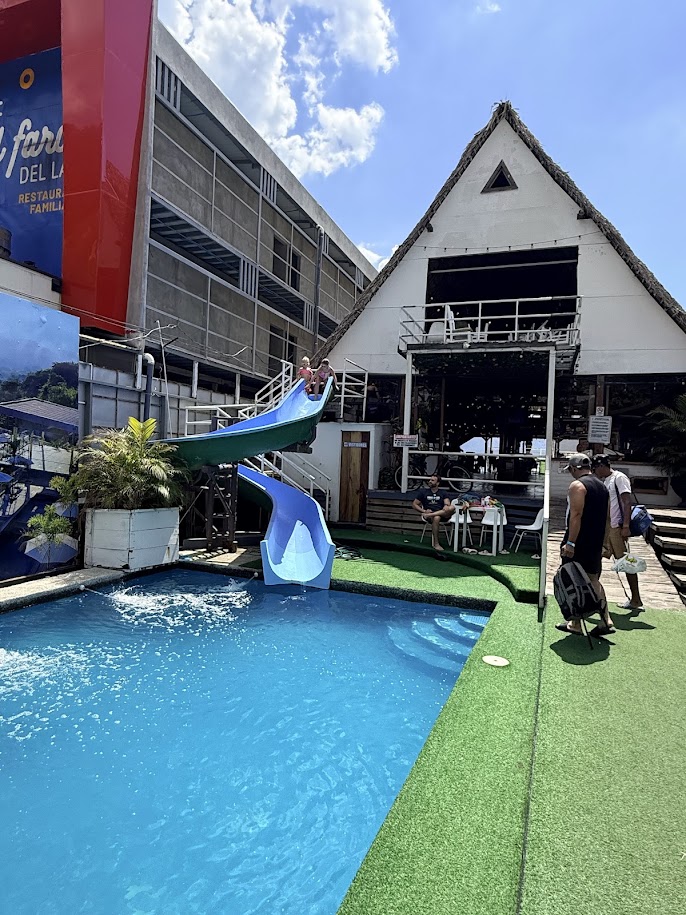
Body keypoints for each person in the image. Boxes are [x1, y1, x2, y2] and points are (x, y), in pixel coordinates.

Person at [557, 453, 615, 637]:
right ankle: (604, 620)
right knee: (593, 579)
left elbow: (576, 516)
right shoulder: (602, 486)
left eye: (571, 471)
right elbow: (608, 517)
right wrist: (605, 542)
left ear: (574, 468)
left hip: (579, 540)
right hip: (595, 540)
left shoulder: (578, 485)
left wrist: (570, 543)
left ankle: (575, 622)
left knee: (571, 578)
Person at [592, 454, 643, 610]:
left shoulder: (619, 478)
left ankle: (636, 599)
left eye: (595, 469)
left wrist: (626, 526)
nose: (595, 473)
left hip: (617, 528)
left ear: (602, 466)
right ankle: (594, 595)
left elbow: (627, 502)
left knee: (627, 562)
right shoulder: (607, 480)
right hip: (607, 527)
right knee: (597, 557)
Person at [412, 474, 455, 552]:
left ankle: (432, 514)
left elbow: (447, 503)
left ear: (437, 483)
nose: (430, 482)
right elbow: (414, 504)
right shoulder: (423, 492)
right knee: (436, 517)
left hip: (442, 514)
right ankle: (436, 543)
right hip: (430, 515)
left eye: (432, 480)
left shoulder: (443, 492)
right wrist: (424, 511)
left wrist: (446, 505)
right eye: (430, 480)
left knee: (452, 507)